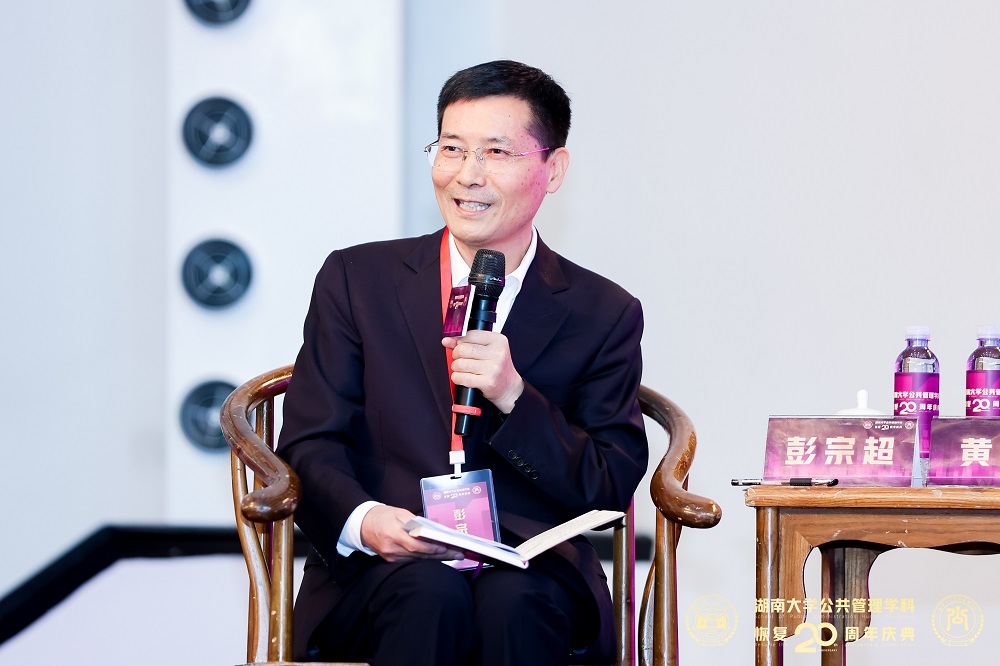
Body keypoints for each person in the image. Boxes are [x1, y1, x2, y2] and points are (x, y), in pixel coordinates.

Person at [276, 59, 648, 666]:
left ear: (553, 169)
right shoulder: (359, 279)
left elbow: (608, 483)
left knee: (512, 603)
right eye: (452, 148)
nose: (467, 175)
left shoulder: (601, 311)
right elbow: (310, 440)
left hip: (531, 569)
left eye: (495, 152)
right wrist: (365, 521)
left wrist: (514, 397)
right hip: (381, 569)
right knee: (430, 593)